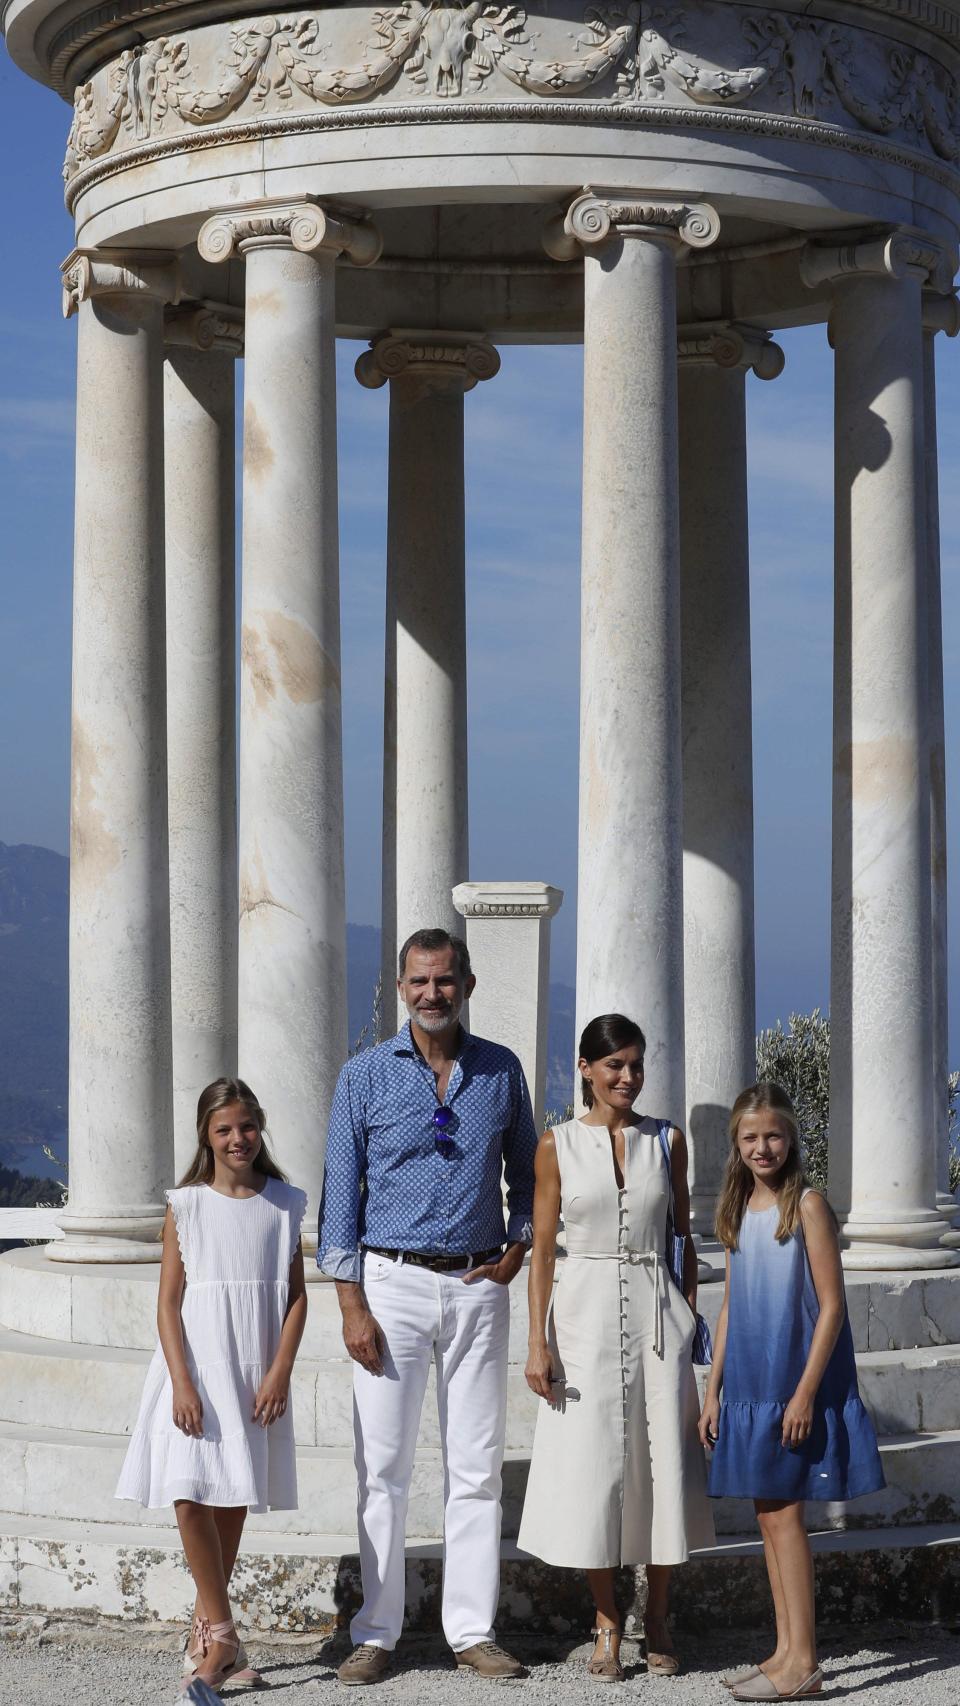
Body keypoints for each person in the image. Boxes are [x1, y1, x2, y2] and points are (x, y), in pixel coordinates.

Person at [318, 927, 537, 1685]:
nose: (431, 994)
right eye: (418, 981)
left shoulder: (501, 1071)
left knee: (475, 1466)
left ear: (467, 986)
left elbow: (530, 1176)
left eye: (444, 981)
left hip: (479, 1285)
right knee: (383, 1466)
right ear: (402, 986)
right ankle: (376, 1632)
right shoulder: (364, 1077)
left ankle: (472, 1631)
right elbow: (338, 1201)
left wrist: (521, 1243)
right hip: (393, 1284)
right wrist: (351, 1305)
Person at [519, 1013, 713, 1682]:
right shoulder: (557, 1145)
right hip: (583, 1312)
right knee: (595, 1467)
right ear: (585, 1069)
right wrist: (536, 1344)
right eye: (614, 1066)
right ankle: (606, 1618)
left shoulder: (668, 1141)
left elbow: (683, 1236)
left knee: (663, 1463)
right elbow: (542, 1251)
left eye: (635, 1064)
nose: (627, 1077)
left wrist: (691, 1319)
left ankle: (657, 1614)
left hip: (658, 1311)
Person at [116, 1078, 308, 1692]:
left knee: (230, 1497)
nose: (237, 1139)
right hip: (196, 1368)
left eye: (246, 1127)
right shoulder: (187, 1205)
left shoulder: (284, 1203)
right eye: (223, 1129)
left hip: (255, 1368)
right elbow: (168, 1303)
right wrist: (181, 1383)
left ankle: (216, 1643)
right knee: (189, 1494)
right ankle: (222, 1635)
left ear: (261, 1126)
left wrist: (279, 1370)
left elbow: (297, 1297)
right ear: (206, 1133)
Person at [699, 1083, 884, 1700]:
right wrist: (713, 1390)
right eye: (750, 1138)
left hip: (790, 1383)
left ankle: (803, 1659)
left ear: (791, 1137)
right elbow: (727, 1309)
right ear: (736, 1145)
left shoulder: (806, 1206)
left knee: (786, 1517)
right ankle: (783, 1652)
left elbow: (831, 1308)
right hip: (749, 1385)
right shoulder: (735, 1210)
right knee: (767, 1516)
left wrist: (805, 1394)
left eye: (773, 1135)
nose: (762, 1147)